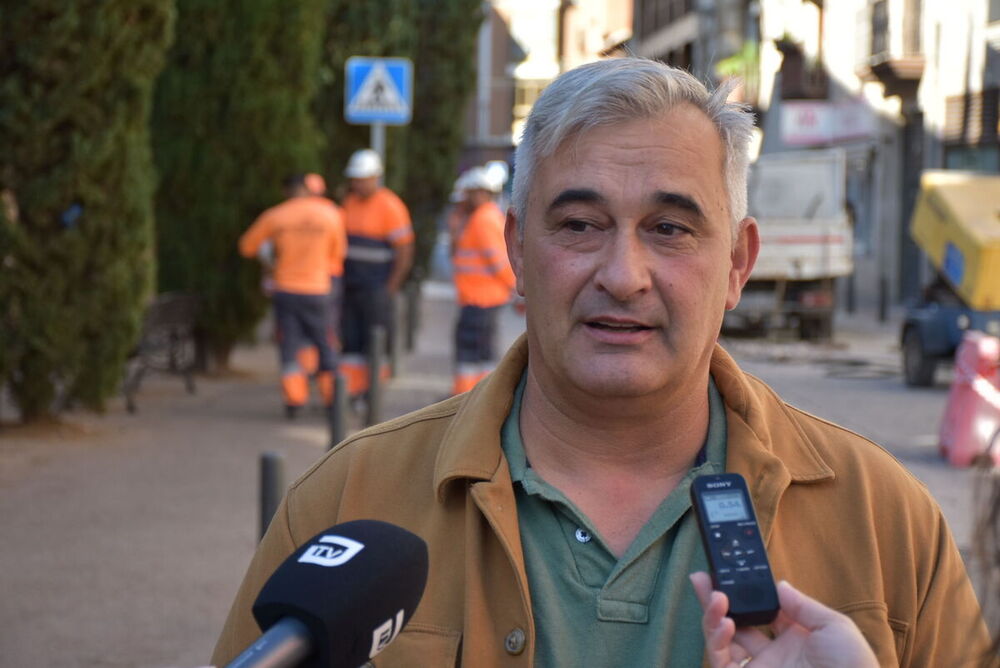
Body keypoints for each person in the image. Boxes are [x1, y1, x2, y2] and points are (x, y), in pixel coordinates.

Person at [213, 59, 991, 667]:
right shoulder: (347, 506)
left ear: (738, 264)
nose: (623, 274)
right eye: (581, 224)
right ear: (518, 248)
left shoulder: (887, 523)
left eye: (671, 229)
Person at [237, 174, 346, 418]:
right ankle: (332, 399)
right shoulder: (331, 215)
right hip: (319, 290)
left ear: (287, 191)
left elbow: (247, 246)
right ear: (308, 189)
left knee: (289, 345)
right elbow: (337, 256)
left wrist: (271, 262)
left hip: (285, 290)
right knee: (325, 342)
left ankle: (294, 400)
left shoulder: (276, 215)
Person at [337, 148, 414, 401]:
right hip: (351, 287)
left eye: (362, 178)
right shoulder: (349, 203)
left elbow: (404, 250)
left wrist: (390, 287)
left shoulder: (390, 206)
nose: (357, 183)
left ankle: (373, 395)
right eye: (355, 179)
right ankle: (351, 390)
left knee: (376, 340)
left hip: (376, 287)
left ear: (375, 177)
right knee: (351, 340)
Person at [450, 165, 517, 394]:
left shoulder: (483, 220)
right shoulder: (484, 217)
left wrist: (517, 289)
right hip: (480, 298)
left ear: (481, 192)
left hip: (481, 299)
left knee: (473, 353)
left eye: (469, 192)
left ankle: (468, 398)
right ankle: (475, 397)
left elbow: (498, 261)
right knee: (481, 352)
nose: (465, 197)